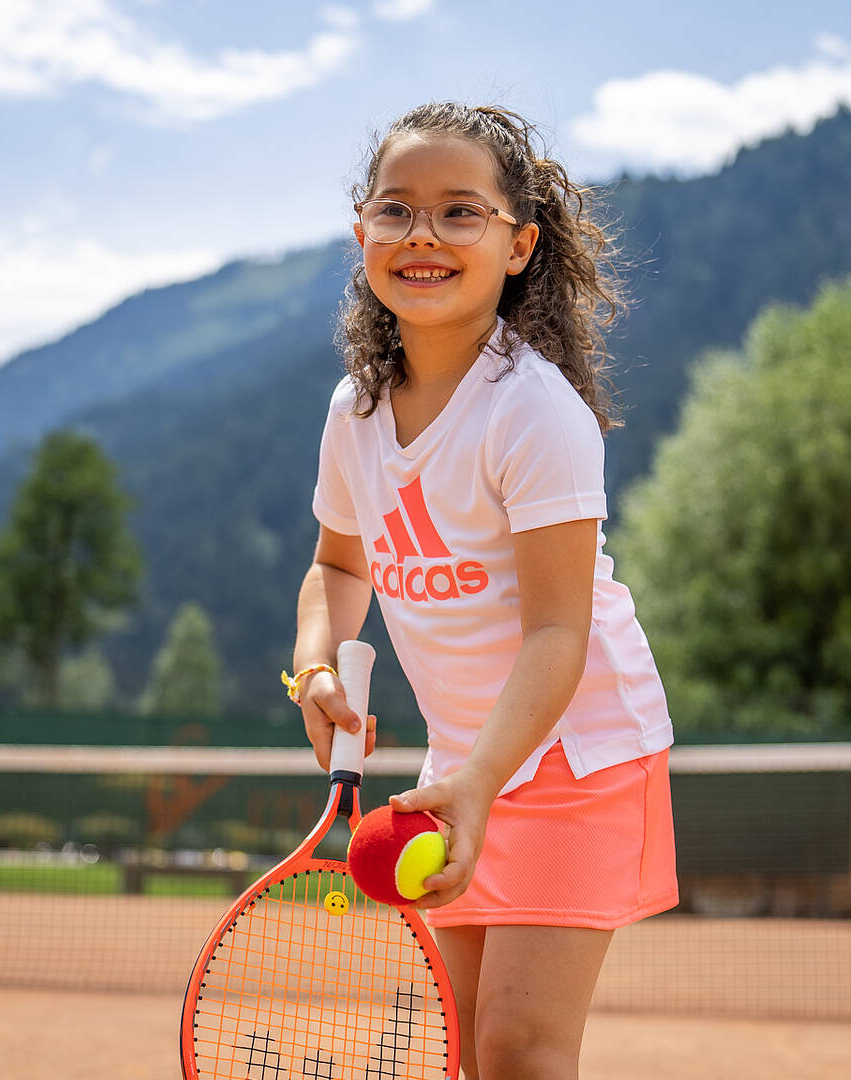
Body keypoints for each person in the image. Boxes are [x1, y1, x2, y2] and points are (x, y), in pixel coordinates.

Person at [284, 102, 675, 1080]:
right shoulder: (356, 409)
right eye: (396, 211)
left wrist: (482, 783)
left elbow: (556, 631)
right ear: (361, 233)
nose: (423, 235)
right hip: (467, 766)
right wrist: (315, 666)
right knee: (463, 1045)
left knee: (519, 1048)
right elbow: (339, 567)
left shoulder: (534, 411)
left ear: (520, 245)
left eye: (462, 213)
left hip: (579, 755)